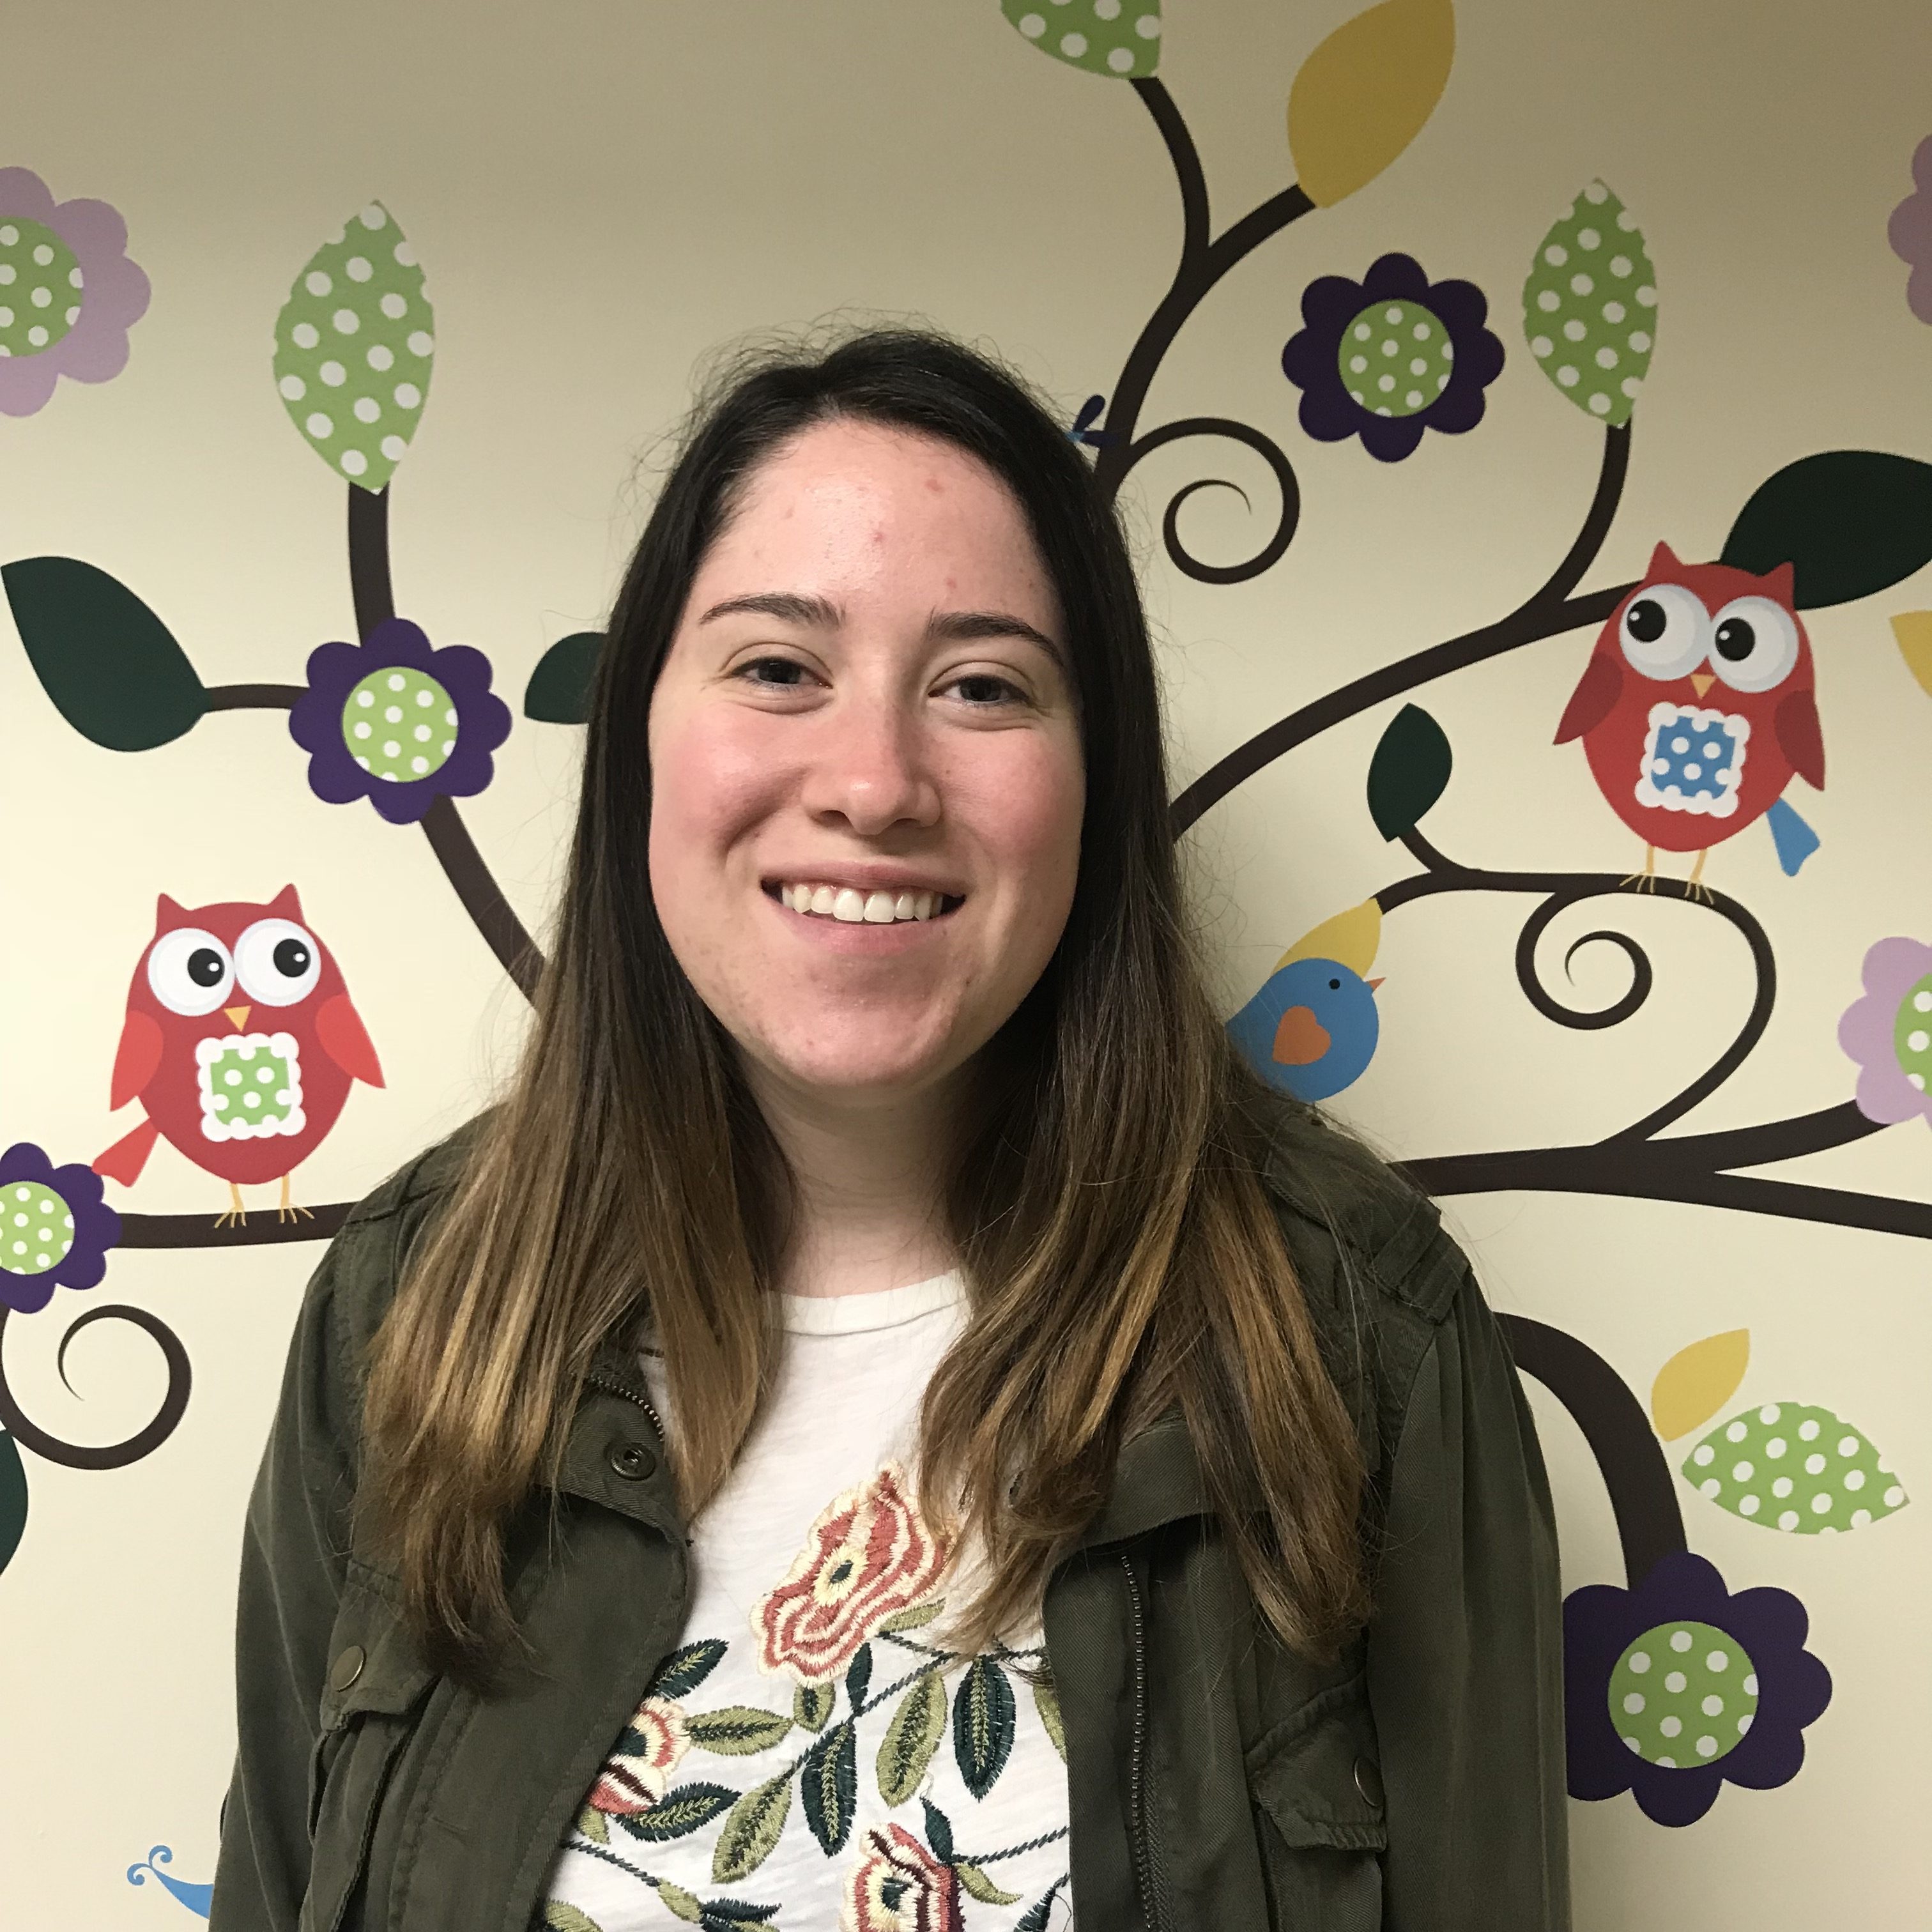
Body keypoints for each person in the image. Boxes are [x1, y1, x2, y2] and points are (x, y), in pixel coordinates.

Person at [210, 326, 1567, 1932]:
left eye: (983, 686)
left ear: (1094, 781)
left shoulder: (1360, 1328)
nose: (874, 784)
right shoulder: (409, 1303)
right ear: (645, 736)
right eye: (778, 667)